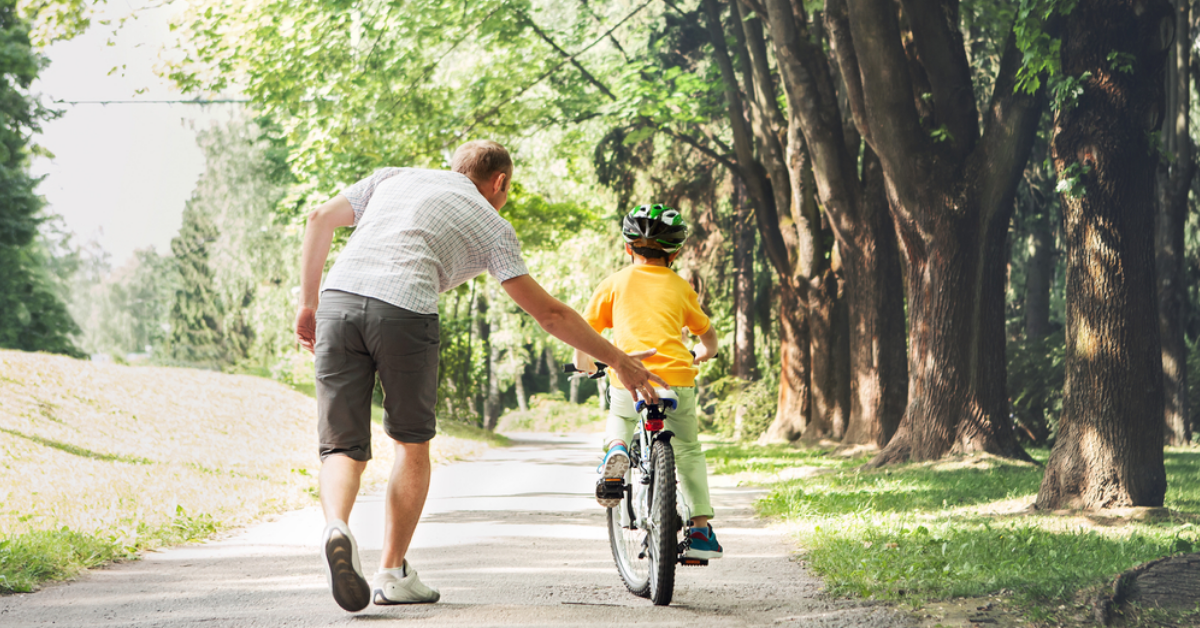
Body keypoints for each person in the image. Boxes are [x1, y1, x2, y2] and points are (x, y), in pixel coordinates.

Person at [294, 140, 668, 613]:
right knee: (411, 444)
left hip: (340, 300)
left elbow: (318, 219)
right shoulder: (492, 223)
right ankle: (391, 572)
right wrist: (619, 358)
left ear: (456, 168)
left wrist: (308, 303)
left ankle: (337, 526)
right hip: (405, 311)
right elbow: (550, 315)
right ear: (500, 183)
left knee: (341, 446)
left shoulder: (394, 176)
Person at [573, 203, 723, 560]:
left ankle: (616, 451)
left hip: (629, 379)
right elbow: (707, 334)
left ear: (628, 247)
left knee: (622, 417)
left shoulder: (614, 283)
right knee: (686, 449)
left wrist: (584, 364)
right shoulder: (681, 287)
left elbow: (584, 332)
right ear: (675, 251)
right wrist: (705, 353)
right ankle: (700, 531)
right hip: (677, 383)